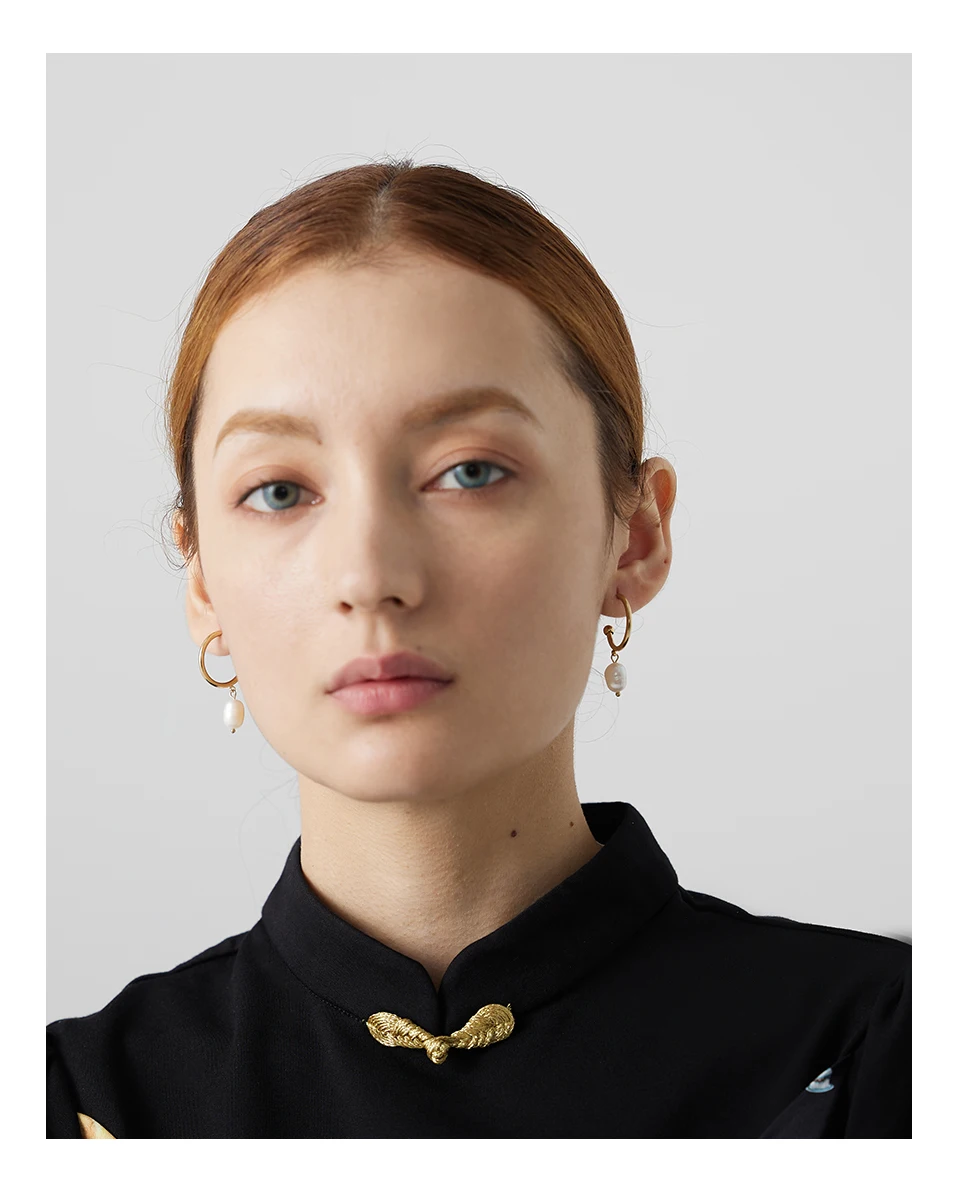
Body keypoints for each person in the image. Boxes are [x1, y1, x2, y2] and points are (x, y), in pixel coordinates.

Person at [46, 159, 910, 1139]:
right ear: (203, 581)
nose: (370, 575)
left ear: (635, 537)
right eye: (279, 491)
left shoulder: (888, 1057)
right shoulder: (76, 1107)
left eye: (469, 472)